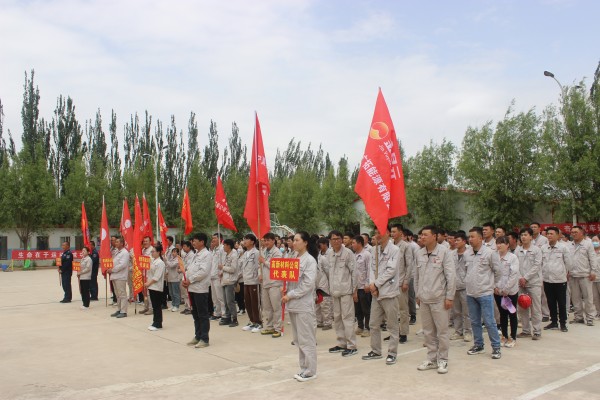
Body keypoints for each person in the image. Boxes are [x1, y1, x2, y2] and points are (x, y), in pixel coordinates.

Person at [415, 225, 456, 374]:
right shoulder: (419, 253)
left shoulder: (444, 252)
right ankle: (431, 359)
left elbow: (451, 276)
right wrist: (418, 294)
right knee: (428, 332)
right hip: (424, 299)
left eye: (425, 235)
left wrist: (449, 297)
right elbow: (417, 276)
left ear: (434, 236)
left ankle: (443, 359)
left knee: (442, 332)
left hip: (439, 298)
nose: (422, 237)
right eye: (421, 235)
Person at [282, 231, 318, 382]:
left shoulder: (309, 260)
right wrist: (285, 288)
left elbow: (307, 285)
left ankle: (310, 371)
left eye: (297, 240)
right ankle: (304, 367)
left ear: (305, 242)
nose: (294, 242)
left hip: (303, 305)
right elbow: (290, 279)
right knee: (298, 339)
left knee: (306, 339)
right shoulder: (294, 258)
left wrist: (290, 294)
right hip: (293, 304)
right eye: (293, 240)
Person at [361, 226, 400, 366]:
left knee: (392, 325)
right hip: (376, 294)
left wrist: (376, 284)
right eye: (376, 232)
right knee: (373, 324)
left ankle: (392, 353)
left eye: (380, 232)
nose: (377, 235)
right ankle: (376, 350)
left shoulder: (395, 250)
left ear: (388, 233)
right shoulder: (374, 250)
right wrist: (373, 285)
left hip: (389, 292)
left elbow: (391, 271)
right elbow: (372, 269)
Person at [464, 227, 502, 359]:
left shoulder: (490, 253)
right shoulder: (467, 253)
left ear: (480, 238)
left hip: (485, 293)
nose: (470, 239)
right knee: (475, 321)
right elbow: (466, 271)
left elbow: (498, 271)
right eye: (469, 237)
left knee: (489, 321)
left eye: (472, 237)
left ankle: (496, 347)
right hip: (470, 293)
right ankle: (478, 345)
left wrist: (493, 285)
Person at [326, 230, 358, 357]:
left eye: (338, 238)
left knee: (348, 318)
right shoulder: (330, 254)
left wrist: (354, 290)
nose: (336, 241)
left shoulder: (348, 253)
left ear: (342, 240)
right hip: (335, 292)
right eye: (333, 239)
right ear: (330, 241)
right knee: (337, 318)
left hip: (346, 291)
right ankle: (341, 343)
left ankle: (352, 345)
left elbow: (354, 272)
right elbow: (328, 272)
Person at [184, 233, 213, 348]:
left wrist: (190, 280)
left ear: (202, 242)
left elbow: (203, 272)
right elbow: (190, 269)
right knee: (195, 314)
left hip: (200, 289)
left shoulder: (207, 255)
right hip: (192, 287)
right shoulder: (196, 254)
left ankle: (204, 339)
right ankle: (198, 336)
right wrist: (185, 280)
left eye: (195, 241)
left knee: (202, 314)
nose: (193, 243)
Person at [542, 227, 571, 332]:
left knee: (561, 303)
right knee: (550, 302)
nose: (549, 236)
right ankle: (554, 322)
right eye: (548, 234)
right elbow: (541, 263)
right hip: (547, 279)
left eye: (552, 234)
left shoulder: (563, 248)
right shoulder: (543, 248)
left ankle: (563, 323)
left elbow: (568, 263)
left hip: (560, 280)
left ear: (558, 235)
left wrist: (565, 273)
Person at [516, 228, 543, 339]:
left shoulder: (537, 250)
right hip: (520, 283)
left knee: (535, 308)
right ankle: (526, 330)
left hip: (534, 282)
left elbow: (537, 266)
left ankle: (537, 331)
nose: (523, 237)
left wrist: (526, 278)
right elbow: (515, 265)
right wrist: (520, 278)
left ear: (531, 237)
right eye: (522, 235)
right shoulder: (517, 250)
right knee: (522, 307)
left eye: (526, 235)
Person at [569, 226, 599, 326]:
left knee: (588, 298)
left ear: (582, 233)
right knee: (575, 298)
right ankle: (578, 317)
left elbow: (592, 258)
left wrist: (593, 271)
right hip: (573, 275)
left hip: (585, 275)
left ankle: (590, 318)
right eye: (572, 232)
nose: (573, 234)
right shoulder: (569, 245)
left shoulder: (588, 244)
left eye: (576, 232)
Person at [494, 236, 520, 347]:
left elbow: (513, 275)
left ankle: (513, 337)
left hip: (510, 293)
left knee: (512, 313)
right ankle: (504, 336)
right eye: (497, 243)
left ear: (507, 245)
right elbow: (491, 273)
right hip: (498, 291)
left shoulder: (512, 258)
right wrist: (494, 287)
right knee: (502, 314)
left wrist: (506, 289)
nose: (499, 245)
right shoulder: (494, 257)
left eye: (502, 243)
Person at [391, 224, 414, 344]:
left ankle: (403, 333)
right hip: (390, 282)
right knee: (392, 310)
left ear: (400, 233)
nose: (392, 234)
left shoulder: (406, 246)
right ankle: (394, 332)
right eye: (391, 232)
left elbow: (409, 265)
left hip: (401, 282)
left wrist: (406, 281)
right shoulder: (390, 245)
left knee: (403, 309)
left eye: (394, 232)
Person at [258, 232, 284, 337]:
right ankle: (269, 326)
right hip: (265, 282)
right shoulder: (263, 251)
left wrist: (264, 261)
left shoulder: (277, 252)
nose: (266, 242)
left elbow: (276, 266)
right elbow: (260, 265)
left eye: (268, 240)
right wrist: (260, 274)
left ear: (273, 241)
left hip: (275, 283)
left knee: (276, 307)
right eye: (265, 240)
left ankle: (278, 328)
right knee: (267, 307)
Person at [450, 231, 472, 342]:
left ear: (464, 241)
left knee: (467, 312)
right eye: (455, 240)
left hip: (466, 287)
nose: (455, 242)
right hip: (454, 286)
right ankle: (458, 331)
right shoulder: (451, 254)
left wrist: (466, 281)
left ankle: (468, 332)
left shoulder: (469, 253)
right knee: (456, 312)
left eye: (458, 240)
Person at [240, 234, 262, 333]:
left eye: (247, 239)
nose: (244, 241)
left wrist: (259, 275)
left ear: (252, 241)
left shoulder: (256, 253)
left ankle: (259, 322)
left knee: (255, 302)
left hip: (254, 281)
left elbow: (259, 266)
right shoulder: (245, 253)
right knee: (248, 302)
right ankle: (252, 321)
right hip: (246, 280)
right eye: (244, 239)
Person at [352, 235, 371, 338]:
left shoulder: (366, 255)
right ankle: (360, 326)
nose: (352, 245)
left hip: (364, 286)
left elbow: (369, 270)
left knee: (366, 308)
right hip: (356, 287)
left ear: (359, 243)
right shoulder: (353, 255)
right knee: (357, 308)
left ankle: (368, 328)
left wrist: (367, 283)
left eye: (353, 243)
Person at [145, 244, 166, 331]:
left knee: (157, 306)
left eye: (153, 251)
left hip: (156, 287)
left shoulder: (160, 263)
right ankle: (155, 321)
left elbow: (156, 277)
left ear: (158, 252)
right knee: (154, 305)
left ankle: (158, 323)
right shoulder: (153, 261)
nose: (152, 253)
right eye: (151, 251)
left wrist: (148, 283)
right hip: (151, 286)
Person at [220, 238, 240, 327]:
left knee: (230, 301)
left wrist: (222, 268)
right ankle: (227, 317)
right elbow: (225, 266)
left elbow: (232, 269)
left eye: (224, 245)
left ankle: (234, 319)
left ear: (228, 246)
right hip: (224, 280)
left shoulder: (234, 255)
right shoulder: (226, 255)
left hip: (230, 281)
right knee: (225, 301)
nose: (223, 247)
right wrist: (221, 271)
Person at [108, 238, 130, 318]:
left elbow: (122, 265)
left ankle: (123, 311)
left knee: (122, 294)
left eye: (117, 242)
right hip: (114, 276)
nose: (115, 243)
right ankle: (119, 309)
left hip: (120, 276)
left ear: (122, 243)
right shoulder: (116, 252)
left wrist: (112, 270)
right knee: (117, 295)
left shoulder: (125, 253)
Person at [315, 237, 333, 331]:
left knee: (325, 303)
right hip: (315, 283)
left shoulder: (322, 258)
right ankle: (319, 321)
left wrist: (330, 282)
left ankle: (327, 322)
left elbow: (328, 271)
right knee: (317, 303)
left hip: (323, 283)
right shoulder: (311, 258)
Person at [210, 233, 226, 321]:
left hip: (218, 276)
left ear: (220, 239)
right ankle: (217, 313)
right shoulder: (214, 250)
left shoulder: (222, 249)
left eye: (215, 238)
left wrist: (221, 272)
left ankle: (224, 314)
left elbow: (224, 262)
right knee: (214, 297)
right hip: (212, 276)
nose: (213, 240)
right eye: (212, 238)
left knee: (220, 297)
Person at [140, 237, 155, 315]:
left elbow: (153, 261)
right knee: (144, 292)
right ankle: (146, 307)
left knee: (149, 292)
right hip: (143, 273)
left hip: (149, 274)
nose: (145, 242)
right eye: (144, 241)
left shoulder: (152, 250)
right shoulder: (143, 250)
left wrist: (145, 259)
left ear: (150, 242)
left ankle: (151, 308)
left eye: (146, 241)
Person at [179, 241, 195, 315]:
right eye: (183, 246)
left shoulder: (191, 255)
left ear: (189, 247)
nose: (183, 248)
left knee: (187, 292)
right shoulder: (186, 254)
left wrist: (181, 269)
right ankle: (186, 307)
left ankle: (189, 307)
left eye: (185, 246)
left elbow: (188, 265)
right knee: (184, 293)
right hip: (183, 274)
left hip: (187, 274)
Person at [166, 245, 182, 312]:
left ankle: (177, 305)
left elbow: (171, 265)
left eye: (175, 252)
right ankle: (173, 304)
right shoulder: (171, 259)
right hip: (170, 278)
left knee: (176, 293)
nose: (173, 253)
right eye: (172, 252)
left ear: (178, 253)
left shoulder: (178, 259)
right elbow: (168, 266)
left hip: (175, 278)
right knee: (171, 293)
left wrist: (166, 260)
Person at [591, 235, 600, 318]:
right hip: (593, 278)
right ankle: (598, 312)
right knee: (595, 297)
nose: (594, 242)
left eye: (596, 240)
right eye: (593, 240)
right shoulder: (590, 253)